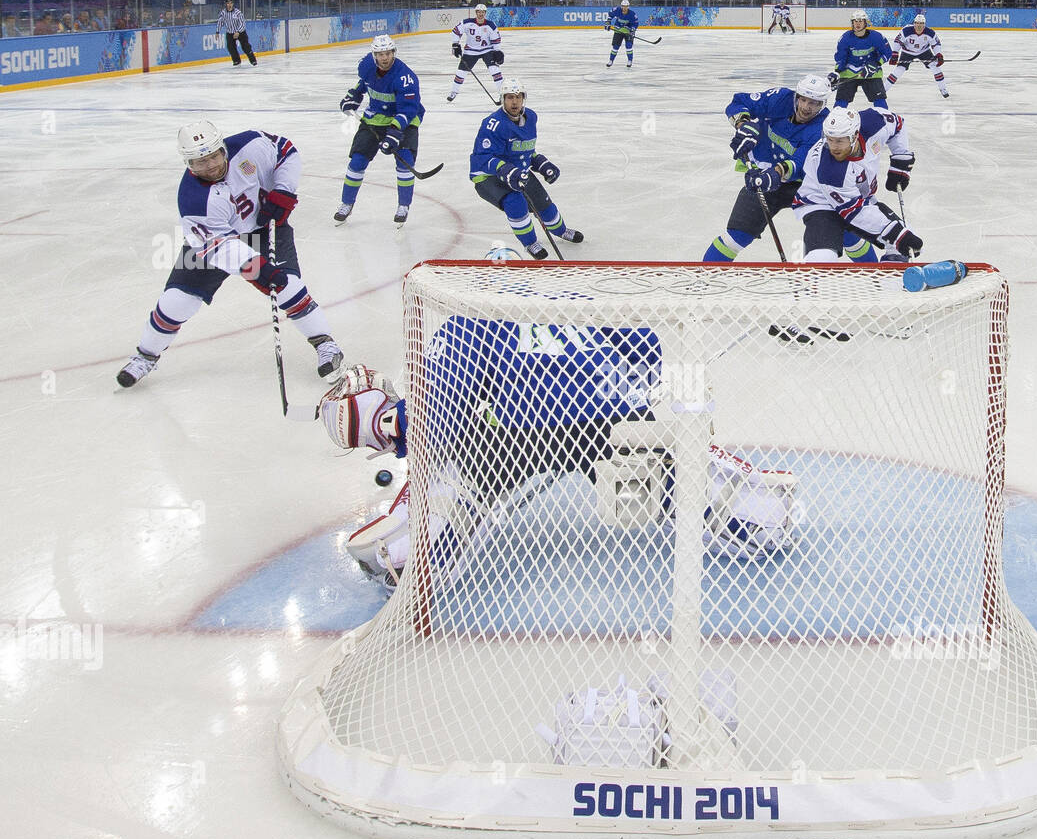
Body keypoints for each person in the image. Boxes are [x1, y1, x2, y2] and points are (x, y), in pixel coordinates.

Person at [317, 321, 799, 590]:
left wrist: (405, 431)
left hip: (528, 431)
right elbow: (644, 339)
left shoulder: (458, 327)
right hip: (616, 413)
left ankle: (415, 552)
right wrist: (632, 386)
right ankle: (759, 510)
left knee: (453, 481)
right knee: (704, 497)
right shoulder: (556, 298)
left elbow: (438, 417)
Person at [116, 120, 345, 389]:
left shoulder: (249, 146)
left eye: (213, 156)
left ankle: (325, 344)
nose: (210, 165)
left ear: (222, 148)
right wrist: (256, 269)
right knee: (177, 301)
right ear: (188, 163)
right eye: (200, 161)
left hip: (266, 225)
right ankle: (145, 356)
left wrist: (283, 192)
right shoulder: (193, 200)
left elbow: (286, 152)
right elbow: (218, 247)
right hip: (214, 242)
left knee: (289, 288)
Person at [701, 74, 831, 262]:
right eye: (802, 99)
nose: (805, 107)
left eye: (814, 103)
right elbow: (739, 102)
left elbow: (800, 161)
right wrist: (743, 124)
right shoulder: (779, 98)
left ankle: (876, 278)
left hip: (805, 186)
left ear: (823, 105)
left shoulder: (823, 126)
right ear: (796, 96)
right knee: (734, 239)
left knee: (835, 237)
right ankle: (703, 280)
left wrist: (777, 173)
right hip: (761, 176)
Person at [791, 105, 923, 266]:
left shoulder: (874, 122)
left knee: (903, 245)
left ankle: (889, 288)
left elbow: (898, 125)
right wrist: (896, 234)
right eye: (829, 139)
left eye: (839, 141)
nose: (833, 147)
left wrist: (901, 159)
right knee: (823, 257)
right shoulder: (831, 169)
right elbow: (854, 212)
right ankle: (807, 290)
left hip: (860, 199)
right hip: (820, 204)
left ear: (854, 135)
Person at [468, 77, 583, 260]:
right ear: (502, 99)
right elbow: (483, 158)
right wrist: (507, 171)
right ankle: (530, 243)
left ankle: (561, 230)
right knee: (516, 202)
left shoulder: (531, 118)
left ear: (523, 98)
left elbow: (525, 150)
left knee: (542, 201)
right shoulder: (493, 124)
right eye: (509, 97)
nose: (514, 102)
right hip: (487, 176)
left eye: (518, 97)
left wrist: (542, 164)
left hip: (517, 171)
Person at [335, 34, 425, 226]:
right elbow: (364, 84)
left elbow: (408, 110)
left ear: (394, 52)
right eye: (380, 54)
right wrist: (353, 96)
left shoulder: (406, 78)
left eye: (388, 53)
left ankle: (403, 205)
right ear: (374, 55)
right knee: (358, 160)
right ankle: (346, 203)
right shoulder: (367, 65)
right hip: (375, 117)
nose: (384, 58)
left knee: (405, 160)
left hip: (405, 119)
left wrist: (393, 134)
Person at [828, 9, 893, 110]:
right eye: (855, 21)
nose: (857, 24)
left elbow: (887, 53)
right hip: (849, 72)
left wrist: (876, 64)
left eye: (860, 21)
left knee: (880, 100)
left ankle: (885, 121)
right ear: (852, 23)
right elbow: (841, 57)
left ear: (865, 23)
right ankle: (836, 123)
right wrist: (837, 72)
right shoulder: (845, 38)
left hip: (871, 72)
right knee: (841, 101)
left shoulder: (877, 36)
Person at [447, 2, 503, 102]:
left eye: (482, 12)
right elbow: (456, 31)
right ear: (476, 12)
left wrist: (497, 51)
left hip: (487, 50)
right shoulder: (467, 23)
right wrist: (455, 44)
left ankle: (503, 94)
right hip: (470, 51)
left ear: (485, 13)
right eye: (478, 12)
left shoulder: (491, 25)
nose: (480, 14)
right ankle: (454, 92)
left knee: (495, 71)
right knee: (461, 72)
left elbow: (496, 39)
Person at [886, 12, 949, 99]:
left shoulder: (930, 33)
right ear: (914, 23)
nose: (919, 25)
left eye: (921, 23)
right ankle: (884, 90)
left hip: (924, 52)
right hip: (907, 52)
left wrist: (938, 54)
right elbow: (897, 41)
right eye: (917, 23)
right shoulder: (906, 31)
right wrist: (895, 54)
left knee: (935, 67)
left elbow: (936, 44)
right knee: (899, 70)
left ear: (924, 24)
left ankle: (943, 89)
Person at [217, 0, 257, 67]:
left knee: (246, 47)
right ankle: (236, 61)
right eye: (228, 3)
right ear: (226, 4)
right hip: (230, 33)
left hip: (240, 32)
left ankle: (253, 60)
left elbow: (242, 23)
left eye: (231, 3)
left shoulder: (238, 12)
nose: (229, 5)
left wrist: (238, 31)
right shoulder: (223, 13)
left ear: (233, 4)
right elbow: (220, 22)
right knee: (230, 47)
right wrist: (217, 31)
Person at [604, 0, 638, 68]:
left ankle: (630, 61)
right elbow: (610, 15)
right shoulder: (617, 10)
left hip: (627, 31)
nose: (624, 8)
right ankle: (611, 60)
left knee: (629, 46)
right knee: (615, 47)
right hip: (618, 30)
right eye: (623, 6)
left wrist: (632, 30)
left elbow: (635, 23)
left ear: (628, 7)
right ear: (621, 6)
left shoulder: (632, 14)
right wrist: (608, 22)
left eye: (626, 6)